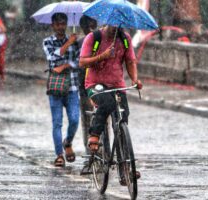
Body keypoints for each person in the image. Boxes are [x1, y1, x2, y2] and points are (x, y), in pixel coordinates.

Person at [79, 25, 142, 184]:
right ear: (106, 21)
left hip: (117, 84)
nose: (115, 27)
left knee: (122, 120)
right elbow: (82, 62)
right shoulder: (94, 38)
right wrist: (102, 56)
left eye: (118, 24)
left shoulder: (125, 39)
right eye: (112, 24)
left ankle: (125, 170)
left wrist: (135, 80)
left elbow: (130, 61)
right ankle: (94, 134)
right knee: (106, 103)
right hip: (95, 84)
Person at [42, 13, 80, 167]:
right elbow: (53, 58)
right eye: (57, 24)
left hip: (72, 87)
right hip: (56, 88)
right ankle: (59, 154)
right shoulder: (47, 42)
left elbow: (79, 61)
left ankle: (68, 142)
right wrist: (67, 44)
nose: (60, 27)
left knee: (74, 120)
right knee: (57, 123)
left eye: (63, 24)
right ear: (53, 25)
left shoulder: (75, 42)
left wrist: (65, 66)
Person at [77, 15, 97, 174]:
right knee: (88, 123)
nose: (90, 28)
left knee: (101, 122)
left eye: (93, 24)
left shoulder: (102, 40)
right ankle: (89, 157)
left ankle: (104, 153)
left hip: (101, 86)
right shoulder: (78, 43)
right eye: (87, 25)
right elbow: (78, 67)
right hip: (85, 88)